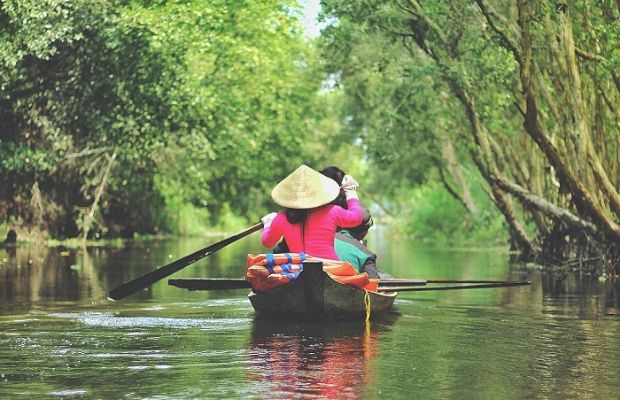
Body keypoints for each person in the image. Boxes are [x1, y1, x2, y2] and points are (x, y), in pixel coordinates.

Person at [261, 164, 363, 260]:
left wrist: (268, 224)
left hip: (299, 270)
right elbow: (357, 218)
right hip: (330, 270)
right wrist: (350, 191)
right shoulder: (332, 211)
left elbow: (267, 242)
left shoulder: (282, 218)